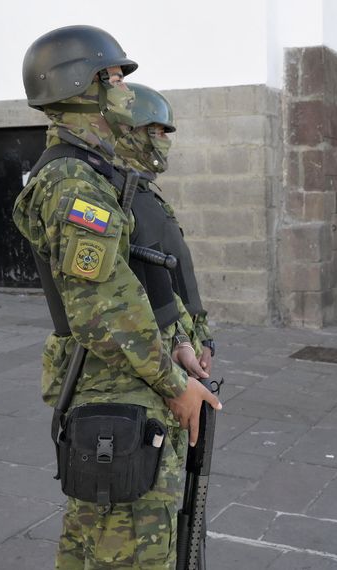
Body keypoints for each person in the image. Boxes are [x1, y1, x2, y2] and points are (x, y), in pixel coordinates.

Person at [13, 25, 220, 569]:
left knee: (119, 541)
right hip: (115, 386)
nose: (127, 91)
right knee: (124, 547)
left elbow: (134, 287)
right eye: (115, 78)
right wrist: (175, 384)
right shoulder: (73, 183)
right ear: (85, 87)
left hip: (131, 380)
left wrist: (175, 350)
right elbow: (103, 309)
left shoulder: (94, 174)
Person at [115, 83, 216, 379]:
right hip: (158, 352)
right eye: (155, 132)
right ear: (130, 133)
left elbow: (178, 268)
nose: (163, 141)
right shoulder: (119, 198)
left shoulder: (146, 193)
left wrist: (203, 335)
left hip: (184, 343)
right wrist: (180, 340)